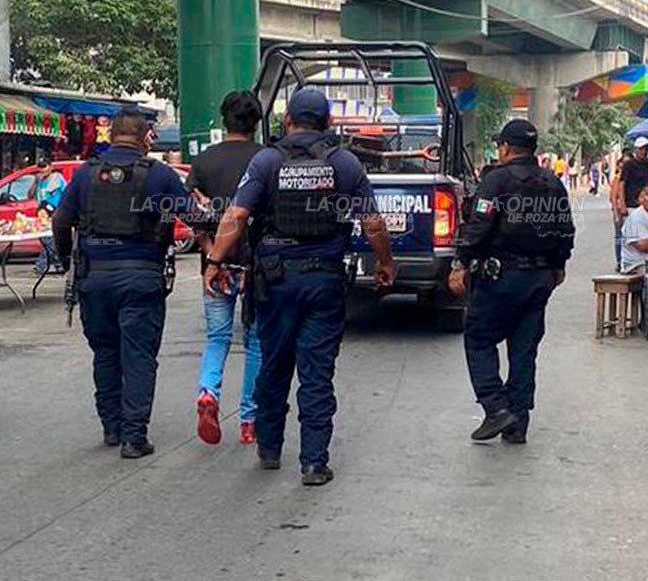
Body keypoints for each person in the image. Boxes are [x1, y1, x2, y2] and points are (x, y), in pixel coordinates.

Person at [203, 88, 394, 486]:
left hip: (275, 280)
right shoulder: (345, 163)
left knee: (273, 364)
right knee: (317, 371)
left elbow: (237, 214)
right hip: (323, 279)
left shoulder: (267, 160)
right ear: (328, 123)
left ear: (287, 121)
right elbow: (373, 223)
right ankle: (313, 462)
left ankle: (270, 448)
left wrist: (215, 260)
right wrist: (385, 262)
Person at [52, 110, 194, 459]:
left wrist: (67, 260)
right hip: (142, 278)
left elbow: (60, 220)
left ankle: (112, 428)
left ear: (111, 135)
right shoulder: (160, 174)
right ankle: (134, 437)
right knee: (139, 356)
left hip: (95, 278)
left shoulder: (86, 174)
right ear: (145, 138)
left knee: (105, 352)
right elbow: (193, 216)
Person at [449, 119, 574, 444]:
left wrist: (460, 263)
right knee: (523, 349)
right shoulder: (552, 182)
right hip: (540, 278)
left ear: (505, 147)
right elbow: (565, 228)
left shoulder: (496, 180)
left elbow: (479, 226)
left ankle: (495, 407)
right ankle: (518, 423)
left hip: (500, 277)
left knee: (478, 339)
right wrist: (558, 265)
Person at [186, 91, 266, 446]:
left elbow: (191, 212)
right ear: (257, 123)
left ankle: (208, 391)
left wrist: (210, 252)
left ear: (224, 120)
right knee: (256, 342)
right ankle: (249, 420)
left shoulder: (204, 160)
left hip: (216, 266)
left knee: (217, 338)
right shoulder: (266, 159)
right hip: (258, 266)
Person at [613, 139, 648, 270]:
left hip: (644, 205)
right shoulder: (629, 165)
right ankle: (624, 263)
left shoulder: (645, 165)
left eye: (646, 149)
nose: (644, 152)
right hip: (631, 204)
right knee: (630, 236)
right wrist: (622, 204)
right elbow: (622, 184)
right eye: (641, 149)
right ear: (636, 150)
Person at [30, 159, 68, 276]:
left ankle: (41, 266)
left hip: (55, 212)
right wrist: (35, 182)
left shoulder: (57, 178)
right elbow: (30, 195)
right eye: (40, 169)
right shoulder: (40, 182)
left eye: (44, 168)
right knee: (47, 240)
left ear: (50, 167)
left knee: (50, 240)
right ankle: (59, 265)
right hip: (42, 214)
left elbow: (66, 194)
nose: (42, 171)